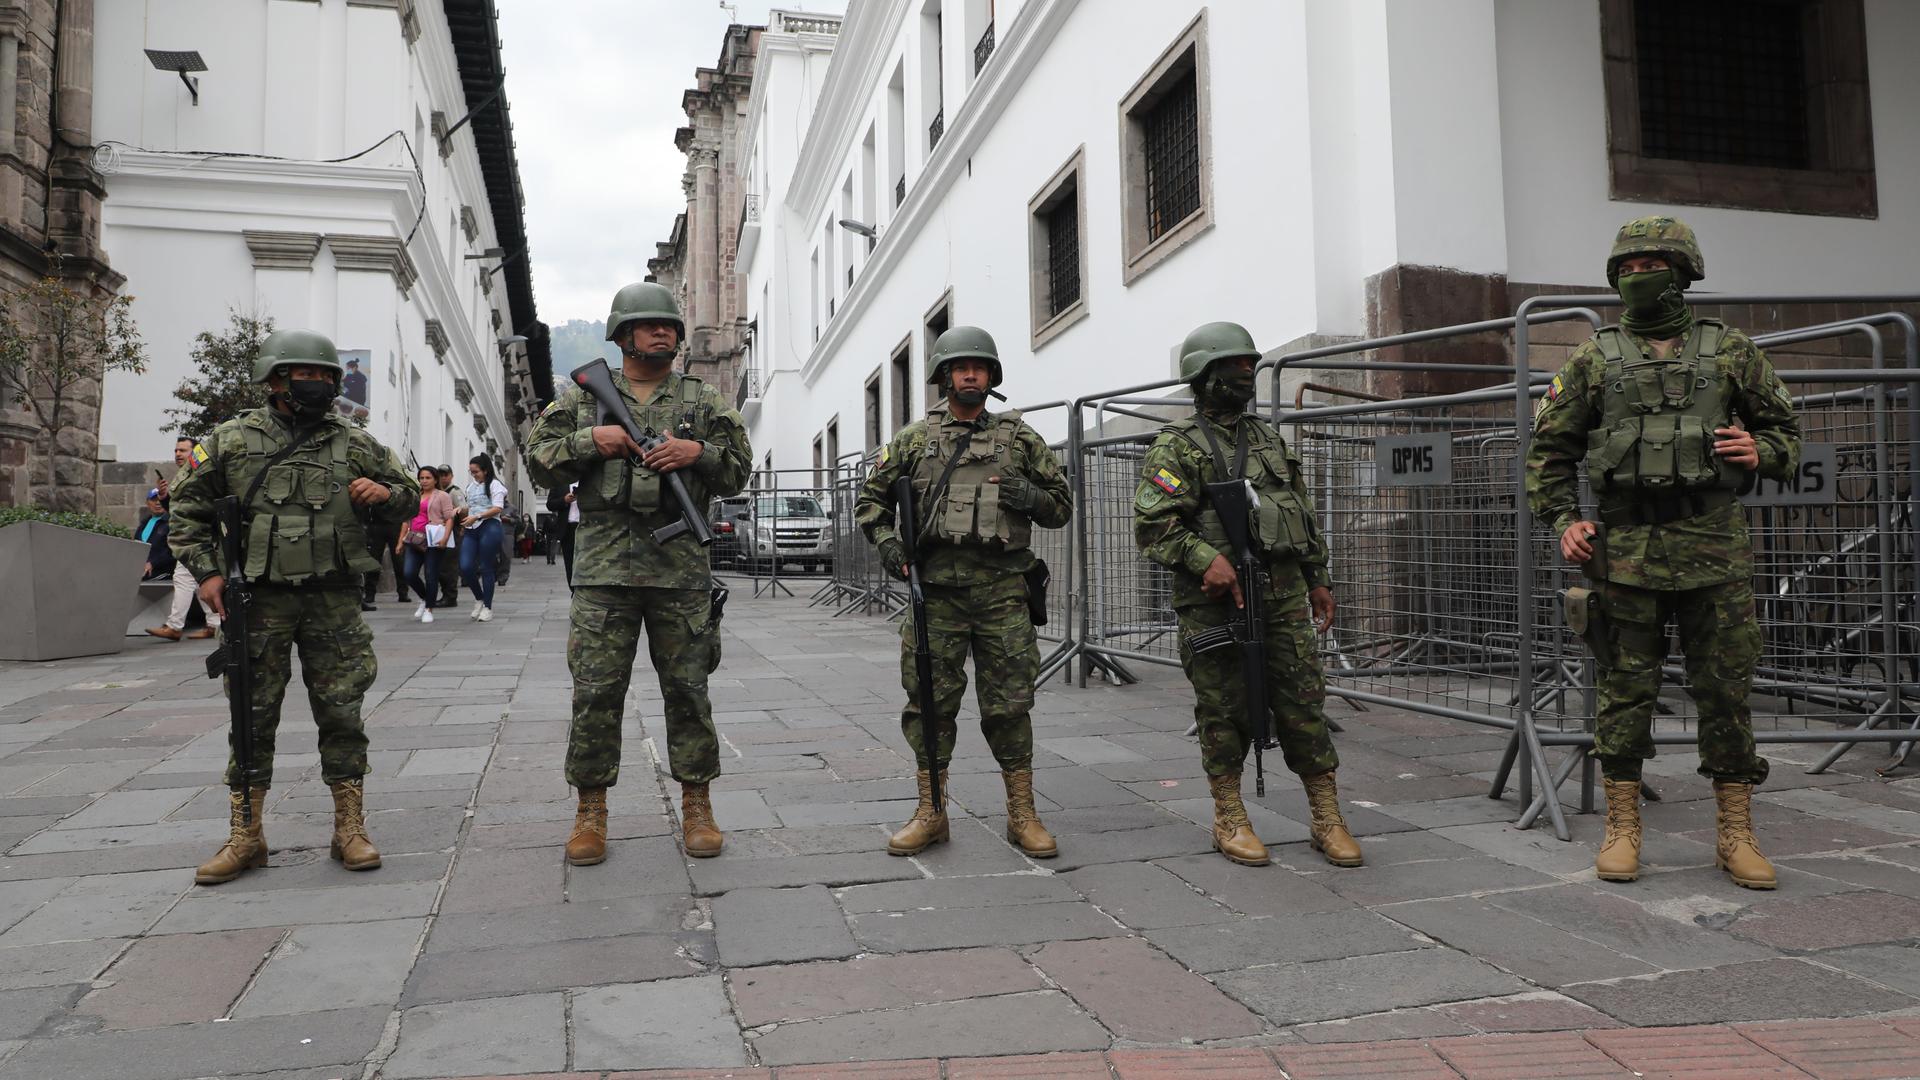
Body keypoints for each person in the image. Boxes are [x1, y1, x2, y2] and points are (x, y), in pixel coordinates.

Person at [1527, 215, 1800, 890]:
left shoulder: (1733, 351)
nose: (1637, 274)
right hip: (1624, 551)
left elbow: (1788, 435)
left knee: (1726, 692)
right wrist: (1563, 520)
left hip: (1715, 548)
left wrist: (1761, 451)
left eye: (1652, 263)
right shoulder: (1593, 359)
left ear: (1683, 271)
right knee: (1624, 692)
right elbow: (1548, 453)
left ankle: (1735, 833)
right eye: (1627, 265)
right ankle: (1622, 829)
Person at [167, 328, 418, 885]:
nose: (323, 383)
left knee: (342, 710)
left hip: (333, 599)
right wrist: (207, 573)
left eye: (329, 375)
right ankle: (247, 833)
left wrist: (385, 495)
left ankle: (349, 827)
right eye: (310, 374)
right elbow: (186, 510)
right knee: (251, 716)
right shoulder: (230, 440)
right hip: (260, 601)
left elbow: (407, 492)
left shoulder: (354, 441)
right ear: (276, 379)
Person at [527, 281, 751, 865]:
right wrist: (590, 441)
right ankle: (591, 809)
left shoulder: (702, 401)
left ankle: (697, 803)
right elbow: (537, 462)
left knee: (689, 690)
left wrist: (696, 453)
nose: (665, 333)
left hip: (680, 571)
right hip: (604, 569)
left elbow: (739, 471)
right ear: (623, 335)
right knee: (596, 693)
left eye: (671, 326)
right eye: (651, 325)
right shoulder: (580, 399)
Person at [1132, 322, 1360, 869]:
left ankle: (1326, 814)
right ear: (1203, 375)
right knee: (1223, 706)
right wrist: (1202, 558)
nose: (1243, 376)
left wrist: (1318, 577)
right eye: (1232, 367)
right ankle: (1229, 814)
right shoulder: (1176, 447)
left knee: (1304, 702)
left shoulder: (1267, 439)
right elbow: (1152, 522)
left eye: (1248, 366)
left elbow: (1301, 512)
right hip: (1215, 604)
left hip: (1281, 597)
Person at [855, 325, 1072, 858]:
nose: (970, 373)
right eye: (960, 366)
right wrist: (889, 548)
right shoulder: (912, 440)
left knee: (1010, 704)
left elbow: (1061, 506)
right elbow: (871, 502)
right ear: (944, 376)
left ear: (991, 376)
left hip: (1003, 593)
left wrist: (1026, 494)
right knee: (929, 703)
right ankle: (932, 811)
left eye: (979, 366)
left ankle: (1022, 812)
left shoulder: (1021, 440)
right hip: (938, 596)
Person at [148, 436, 218, 642]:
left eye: (183, 450)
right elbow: (178, 511)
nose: (178, 454)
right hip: (193, 535)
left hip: (201, 535)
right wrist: (164, 497)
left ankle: (175, 626)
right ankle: (214, 624)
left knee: (185, 576)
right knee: (196, 578)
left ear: (195, 453)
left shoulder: (200, 475)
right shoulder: (186, 476)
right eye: (176, 450)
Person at [396, 465, 455, 623]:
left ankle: (429, 608)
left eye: (428, 478)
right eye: (421, 478)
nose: (424, 481)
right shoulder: (414, 495)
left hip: (433, 541)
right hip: (414, 540)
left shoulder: (442, 496)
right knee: (409, 573)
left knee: (431, 575)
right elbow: (406, 519)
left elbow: (449, 518)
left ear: (435, 479)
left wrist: (445, 538)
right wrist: (400, 541)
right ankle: (424, 598)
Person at [459, 455, 508, 620]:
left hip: (490, 526)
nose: (474, 475)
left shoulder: (495, 485)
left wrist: (477, 516)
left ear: (485, 470)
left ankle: (488, 607)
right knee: (465, 566)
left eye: (476, 472)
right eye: (471, 472)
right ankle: (479, 598)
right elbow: (472, 506)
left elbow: (498, 508)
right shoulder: (470, 486)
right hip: (472, 527)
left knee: (486, 567)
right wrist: (460, 510)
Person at [436, 465, 465, 607]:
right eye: (440, 475)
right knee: (441, 565)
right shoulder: (438, 492)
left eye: (445, 475)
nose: (443, 477)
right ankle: (446, 594)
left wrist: (462, 529)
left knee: (449, 566)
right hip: (439, 530)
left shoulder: (454, 492)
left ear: (451, 476)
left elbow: (463, 510)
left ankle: (450, 596)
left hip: (453, 530)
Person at [137, 488, 172, 580]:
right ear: (147, 503)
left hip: (164, 576)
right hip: (142, 575)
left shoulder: (172, 523)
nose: (158, 503)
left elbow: (173, 552)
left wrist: (152, 563)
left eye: (160, 500)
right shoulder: (143, 525)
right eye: (154, 500)